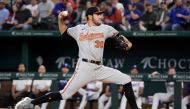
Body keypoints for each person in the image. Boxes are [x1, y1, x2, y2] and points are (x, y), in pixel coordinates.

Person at [15, 6, 139, 109]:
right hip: (84, 67)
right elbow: (63, 31)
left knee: (126, 79)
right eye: (98, 14)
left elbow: (126, 42)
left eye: (101, 14)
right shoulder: (79, 29)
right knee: (64, 94)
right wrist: (60, 19)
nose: (100, 16)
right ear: (90, 16)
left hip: (99, 68)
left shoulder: (106, 28)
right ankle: (30, 103)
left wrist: (128, 44)